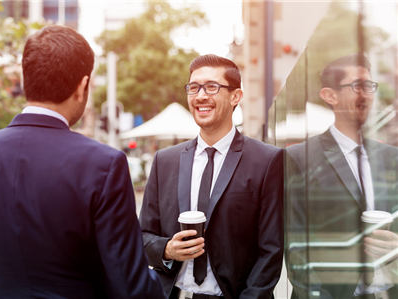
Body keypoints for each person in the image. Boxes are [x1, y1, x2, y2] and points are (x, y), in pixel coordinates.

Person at [0, 25, 164, 299]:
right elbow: (132, 286)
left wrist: (6, 268)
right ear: (83, 86)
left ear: (27, 81)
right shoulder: (104, 164)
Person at [140, 54, 284, 299]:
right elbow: (141, 237)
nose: (201, 96)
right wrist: (167, 249)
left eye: (212, 87)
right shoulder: (165, 161)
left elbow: (270, 251)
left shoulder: (267, 160)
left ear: (235, 96)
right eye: (194, 87)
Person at [285, 54, 398, 298]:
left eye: (370, 86)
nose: (367, 94)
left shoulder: (392, 158)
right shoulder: (298, 158)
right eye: (358, 86)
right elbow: (296, 247)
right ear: (330, 95)